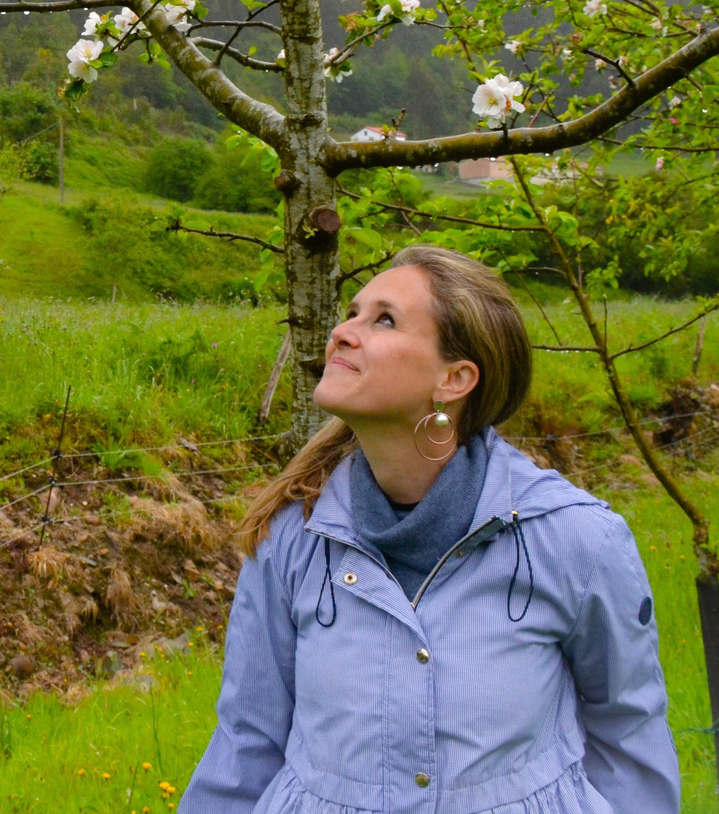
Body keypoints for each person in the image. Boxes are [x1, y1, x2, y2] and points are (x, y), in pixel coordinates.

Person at [182, 246, 678, 813]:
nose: (343, 331)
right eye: (353, 311)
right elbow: (247, 744)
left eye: (384, 319)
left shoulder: (576, 541)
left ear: (455, 378)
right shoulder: (293, 536)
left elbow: (629, 734)